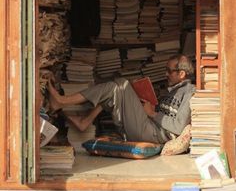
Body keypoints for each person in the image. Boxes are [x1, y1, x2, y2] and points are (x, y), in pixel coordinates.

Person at [48, 54, 195, 144]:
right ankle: (84, 121)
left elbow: (178, 127)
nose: (166, 74)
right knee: (116, 90)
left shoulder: (189, 92)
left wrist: (152, 114)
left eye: (169, 71)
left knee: (121, 84)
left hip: (154, 134)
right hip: (148, 125)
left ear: (181, 74)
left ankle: (63, 101)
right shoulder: (172, 89)